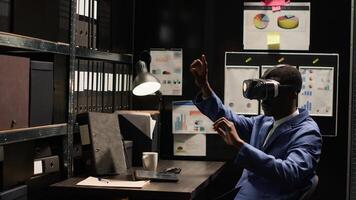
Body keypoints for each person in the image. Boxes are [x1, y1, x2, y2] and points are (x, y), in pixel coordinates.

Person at [190, 55, 322, 200]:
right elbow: (226, 118)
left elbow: (291, 172)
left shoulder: (307, 132)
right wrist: (204, 86)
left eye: (271, 93)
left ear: (292, 94)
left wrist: (240, 145)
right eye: (262, 92)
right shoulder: (263, 122)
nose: (263, 100)